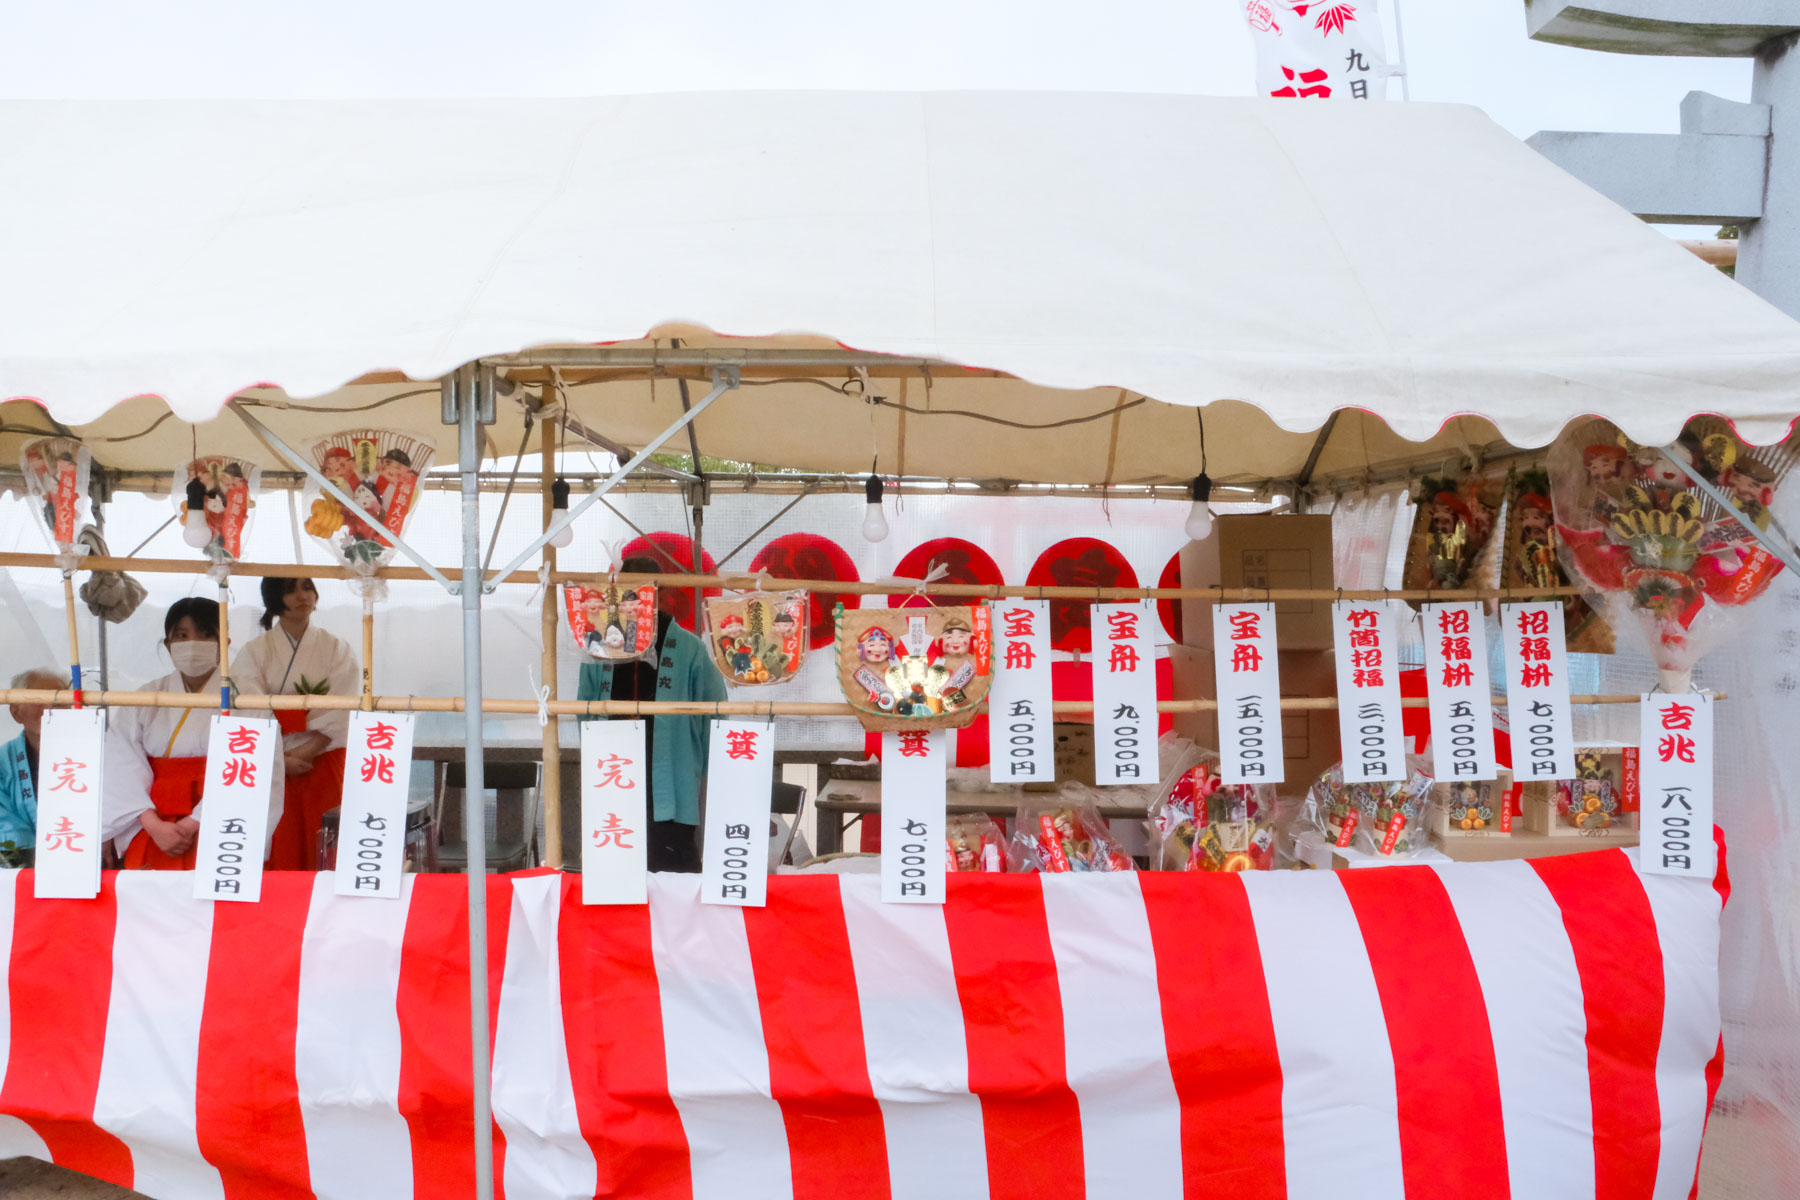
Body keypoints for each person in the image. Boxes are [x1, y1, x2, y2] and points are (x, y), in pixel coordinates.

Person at [103, 597, 282, 869]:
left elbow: (258, 769)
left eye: (206, 634)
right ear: (168, 644)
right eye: (182, 635)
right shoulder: (147, 696)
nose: (193, 643)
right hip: (153, 826)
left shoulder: (247, 698)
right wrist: (152, 823)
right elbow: (120, 762)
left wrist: (194, 822)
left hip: (222, 826)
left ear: (224, 643)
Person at [576, 557, 727, 872]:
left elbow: (715, 712)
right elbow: (584, 706)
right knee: (615, 862)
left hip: (671, 771)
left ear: (659, 593)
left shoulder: (689, 647)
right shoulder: (598, 645)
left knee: (672, 864)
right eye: (627, 593)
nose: (635, 601)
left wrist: (710, 769)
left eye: (643, 593)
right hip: (614, 768)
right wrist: (591, 752)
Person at [232, 577, 360, 869]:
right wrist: (279, 758)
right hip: (272, 764)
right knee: (281, 843)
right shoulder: (254, 651)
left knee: (327, 845)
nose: (302, 596)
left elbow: (343, 704)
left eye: (307, 587)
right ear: (273, 598)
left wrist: (307, 750)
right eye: (290, 590)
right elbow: (247, 707)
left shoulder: (336, 647)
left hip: (324, 757)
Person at [0, 668, 67, 858]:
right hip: (23, 860)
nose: (49, 709)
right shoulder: (3, 761)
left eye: (58, 703)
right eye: (38, 701)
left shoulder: (90, 752)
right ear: (16, 712)